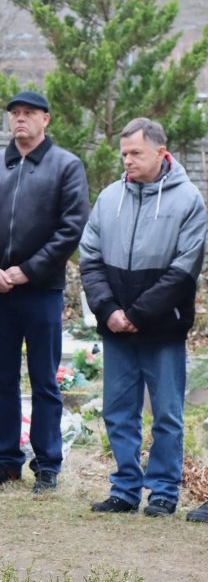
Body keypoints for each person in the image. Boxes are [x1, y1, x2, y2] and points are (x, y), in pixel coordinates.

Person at [0, 91, 89, 494]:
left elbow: (71, 227)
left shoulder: (65, 167)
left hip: (41, 291)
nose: (20, 119)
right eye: (14, 113)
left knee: (44, 380)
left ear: (45, 119)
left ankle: (47, 465)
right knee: (0, 380)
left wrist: (27, 271)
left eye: (28, 113)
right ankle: (5, 462)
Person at [80, 118, 207, 518]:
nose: (128, 161)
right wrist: (109, 311)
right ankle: (125, 489)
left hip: (162, 329)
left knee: (167, 413)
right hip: (116, 327)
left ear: (159, 151)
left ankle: (165, 492)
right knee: (118, 411)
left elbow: (183, 270)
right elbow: (90, 260)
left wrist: (136, 314)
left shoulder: (188, 200)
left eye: (135, 153)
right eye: (124, 154)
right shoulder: (109, 197)